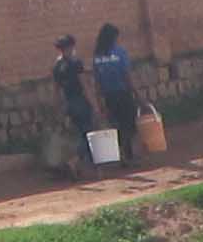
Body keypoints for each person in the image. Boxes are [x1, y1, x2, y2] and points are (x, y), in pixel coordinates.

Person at [90, 22, 145, 164]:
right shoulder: (119, 52)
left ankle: (123, 154)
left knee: (117, 124)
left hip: (108, 96)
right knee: (129, 124)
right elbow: (127, 76)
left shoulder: (97, 56)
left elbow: (96, 81)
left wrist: (99, 101)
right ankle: (128, 154)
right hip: (122, 93)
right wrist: (138, 95)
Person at [50, 34, 101, 170]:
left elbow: (55, 91)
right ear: (70, 47)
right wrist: (95, 105)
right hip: (80, 102)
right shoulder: (75, 63)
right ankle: (75, 161)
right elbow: (85, 86)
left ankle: (87, 164)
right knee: (88, 133)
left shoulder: (57, 66)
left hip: (68, 104)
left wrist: (56, 109)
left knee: (79, 133)